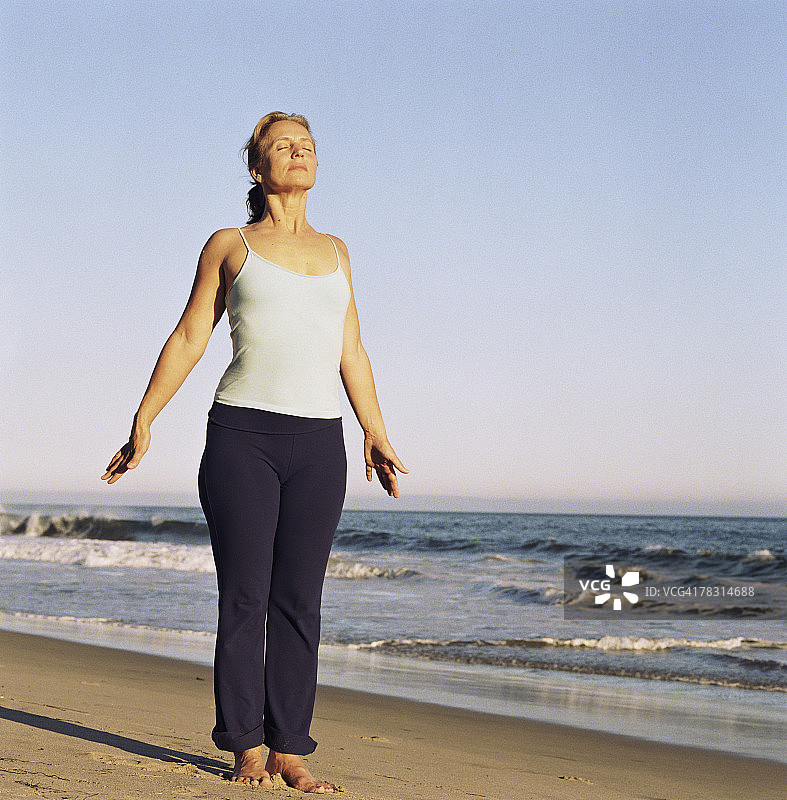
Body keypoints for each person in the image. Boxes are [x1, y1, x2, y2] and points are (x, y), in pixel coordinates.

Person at [101, 112, 407, 792]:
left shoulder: (337, 251)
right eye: (282, 146)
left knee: (300, 600)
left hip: (319, 442)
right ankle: (244, 745)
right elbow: (189, 336)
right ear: (256, 168)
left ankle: (290, 747)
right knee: (244, 598)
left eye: (307, 145)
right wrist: (144, 418)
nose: (298, 153)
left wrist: (374, 430)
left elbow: (350, 350)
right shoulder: (229, 244)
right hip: (242, 435)